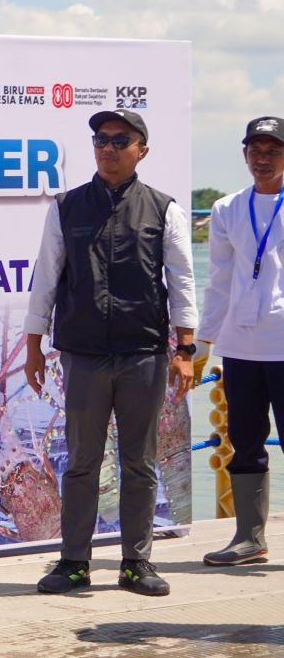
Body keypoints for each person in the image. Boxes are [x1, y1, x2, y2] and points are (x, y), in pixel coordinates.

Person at [25, 109, 197, 598]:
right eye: (101, 139)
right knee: (81, 462)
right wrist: (34, 345)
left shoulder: (165, 209)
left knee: (139, 462)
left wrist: (185, 349)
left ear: (142, 148)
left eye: (120, 140)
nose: (108, 148)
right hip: (82, 354)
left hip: (144, 351)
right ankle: (73, 562)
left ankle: (136, 562)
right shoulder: (65, 206)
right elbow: (47, 278)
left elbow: (182, 283)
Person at [198, 116, 283, 565]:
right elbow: (219, 280)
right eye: (256, 150)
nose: (263, 158)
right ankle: (249, 538)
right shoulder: (227, 208)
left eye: (273, 150)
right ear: (245, 154)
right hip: (240, 347)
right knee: (243, 440)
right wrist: (203, 339)